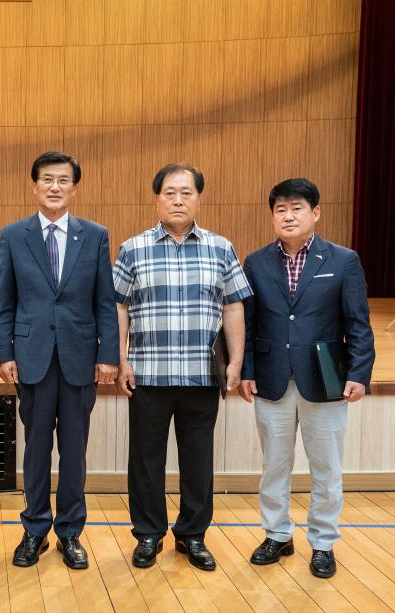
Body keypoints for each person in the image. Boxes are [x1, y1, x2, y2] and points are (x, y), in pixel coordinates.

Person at [113, 163, 251, 571]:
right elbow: (118, 307)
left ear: (198, 198)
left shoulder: (221, 248)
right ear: (157, 199)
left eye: (186, 192)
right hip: (147, 375)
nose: (178, 200)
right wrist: (121, 360)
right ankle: (148, 533)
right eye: (169, 192)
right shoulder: (133, 248)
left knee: (198, 461)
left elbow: (233, 305)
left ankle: (193, 535)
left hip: (201, 375)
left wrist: (236, 361)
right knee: (145, 461)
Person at [239, 178, 374, 579]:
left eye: (296, 208)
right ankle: (277, 534)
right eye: (280, 209)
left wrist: (359, 373)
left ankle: (323, 542)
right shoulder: (256, 262)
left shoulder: (343, 260)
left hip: (325, 379)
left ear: (315, 213)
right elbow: (248, 324)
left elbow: (358, 323)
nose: (288, 216)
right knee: (274, 466)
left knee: (326, 469)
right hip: (271, 378)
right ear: (272, 217)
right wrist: (246, 371)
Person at [0, 151, 119, 570]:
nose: (55, 187)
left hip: (80, 359)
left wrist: (108, 355)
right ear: (35, 186)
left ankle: (70, 532)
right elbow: (5, 301)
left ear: (74, 188)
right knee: (35, 451)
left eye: (63, 180)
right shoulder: (13, 235)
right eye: (47, 179)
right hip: (31, 359)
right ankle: (34, 530)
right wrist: (4, 353)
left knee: (74, 451)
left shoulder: (95, 235)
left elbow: (105, 302)